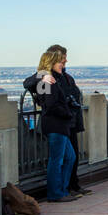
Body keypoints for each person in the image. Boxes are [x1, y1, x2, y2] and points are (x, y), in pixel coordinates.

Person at [24, 46, 82, 203]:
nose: (62, 64)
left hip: (61, 125)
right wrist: (67, 112)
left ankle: (62, 190)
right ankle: (55, 193)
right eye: (59, 62)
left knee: (70, 157)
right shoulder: (46, 80)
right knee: (57, 160)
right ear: (51, 62)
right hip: (55, 125)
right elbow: (50, 105)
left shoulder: (55, 78)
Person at [50, 44, 91, 195]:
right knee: (61, 159)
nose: (66, 61)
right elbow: (47, 101)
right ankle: (60, 190)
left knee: (72, 157)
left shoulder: (66, 78)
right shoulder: (47, 77)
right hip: (59, 124)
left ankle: (72, 185)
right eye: (63, 58)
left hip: (70, 122)